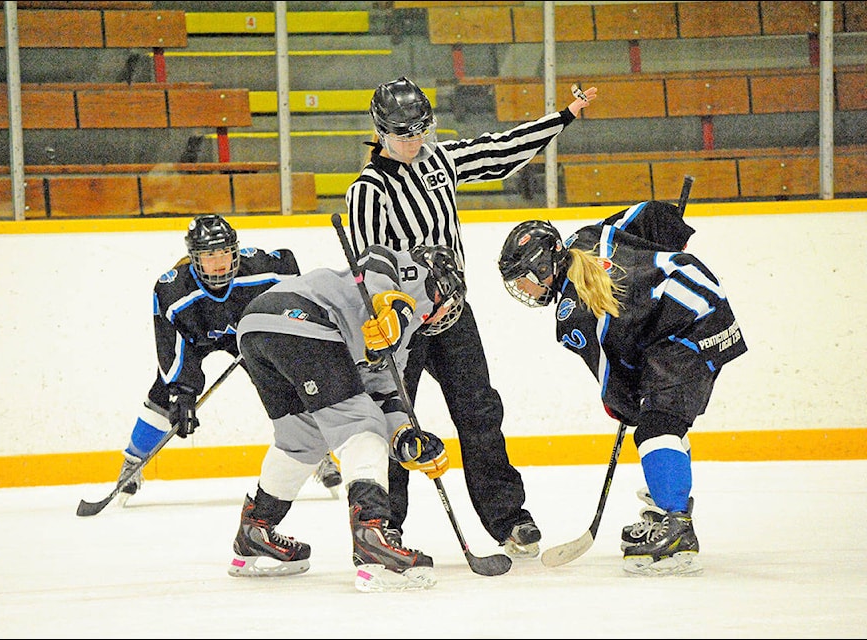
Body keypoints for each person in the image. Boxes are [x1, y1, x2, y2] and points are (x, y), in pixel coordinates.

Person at [345, 76, 598, 558]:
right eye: (405, 134)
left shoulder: (438, 160)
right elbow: (369, 265)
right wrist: (398, 309)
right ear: (381, 131)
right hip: (402, 326)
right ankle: (385, 526)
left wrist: (562, 118)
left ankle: (508, 517)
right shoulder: (368, 191)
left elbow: (500, 151)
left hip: (455, 315)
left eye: (422, 130)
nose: (416, 142)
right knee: (396, 422)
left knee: (480, 411)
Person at [497, 200, 748, 575]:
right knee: (664, 420)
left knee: (654, 427)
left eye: (524, 279)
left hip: (686, 325)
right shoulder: (585, 238)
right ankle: (669, 505)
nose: (524, 289)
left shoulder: (572, 315)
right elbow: (647, 216)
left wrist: (625, 405)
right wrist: (670, 232)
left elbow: (615, 378)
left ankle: (677, 524)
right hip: (700, 301)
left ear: (542, 265)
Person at [229, 244, 465, 592]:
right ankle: (372, 541)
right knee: (361, 424)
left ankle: (255, 532)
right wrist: (395, 311)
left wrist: (405, 438)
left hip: (257, 328)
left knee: (303, 439)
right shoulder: (418, 279)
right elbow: (376, 256)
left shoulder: (405, 338)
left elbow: (384, 392)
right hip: (301, 317)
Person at [115, 214, 320, 503]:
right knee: (163, 393)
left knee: (288, 384)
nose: (220, 261)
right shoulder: (172, 290)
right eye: (210, 254)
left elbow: (292, 273)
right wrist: (183, 393)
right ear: (194, 258)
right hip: (195, 339)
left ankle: (316, 453)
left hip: (247, 334)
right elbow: (170, 348)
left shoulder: (260, 270)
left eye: (225, 252)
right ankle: (133, 463)